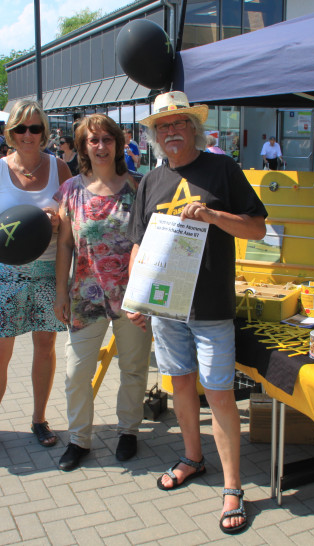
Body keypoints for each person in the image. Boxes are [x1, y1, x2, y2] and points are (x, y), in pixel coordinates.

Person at [127, 91, 267, 535]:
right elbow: (138, 244)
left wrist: (212, 215)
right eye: (162, 126)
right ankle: (193, 457)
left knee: (220, 393)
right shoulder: (150, 181)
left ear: (193, 128)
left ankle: (233, 487)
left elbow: (258, 226)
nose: (170, 132)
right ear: (155, 135)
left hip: (210, 308)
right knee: (181, 386)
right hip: (167, 310)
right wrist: (137, 298)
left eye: (178, 124)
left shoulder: (222, 169)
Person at [0, 100, 72, 459]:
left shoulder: (60, 168)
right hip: (8, 275)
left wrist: (58, 219)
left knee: (45, 348)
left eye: (35, 128)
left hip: (48, 274)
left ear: (45, 132)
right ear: (10, 133)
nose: (28, 135)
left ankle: (39, 419)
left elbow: (71, 225)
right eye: (21, 129)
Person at [54, 114, 152, 472]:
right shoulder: (71, 190)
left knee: (134, 367)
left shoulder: (138, 187)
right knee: (76, 372)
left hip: (133, 297)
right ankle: (79, 438)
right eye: (92, 140)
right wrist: (60, 291)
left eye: (106, 139)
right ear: (82, 147)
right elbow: (65, 244)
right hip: (84, 297)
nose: (100, 146)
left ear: (118, 143)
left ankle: (128, 430)